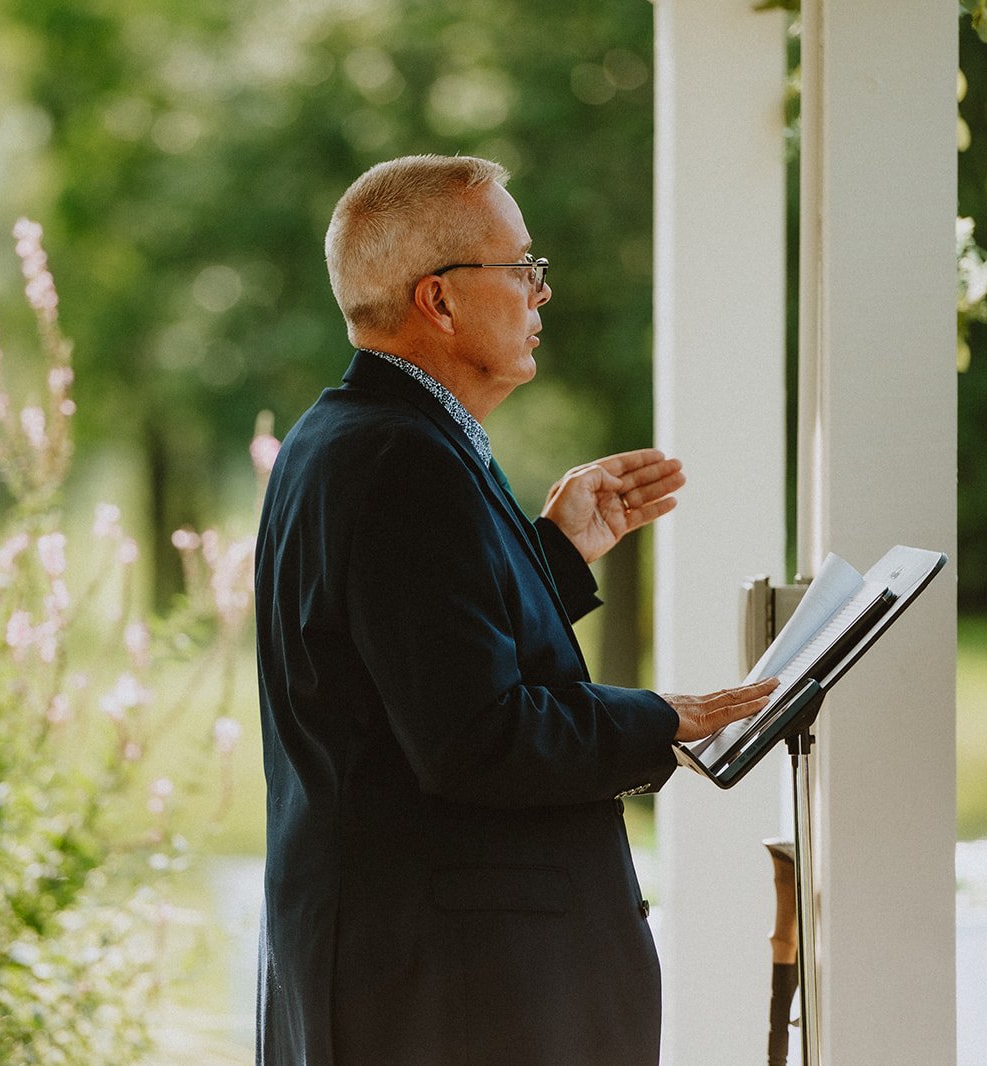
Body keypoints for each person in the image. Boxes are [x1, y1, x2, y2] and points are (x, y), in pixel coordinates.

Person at [252, 154, 778, 1065]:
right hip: (455, 1001)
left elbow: (414, 650)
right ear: (440, 300)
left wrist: (555, 554)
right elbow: (475, 737)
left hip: (421, 979)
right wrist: (664, 717)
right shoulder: (401, 461)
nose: (541, 294)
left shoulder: (355, 436)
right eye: (521, 266)